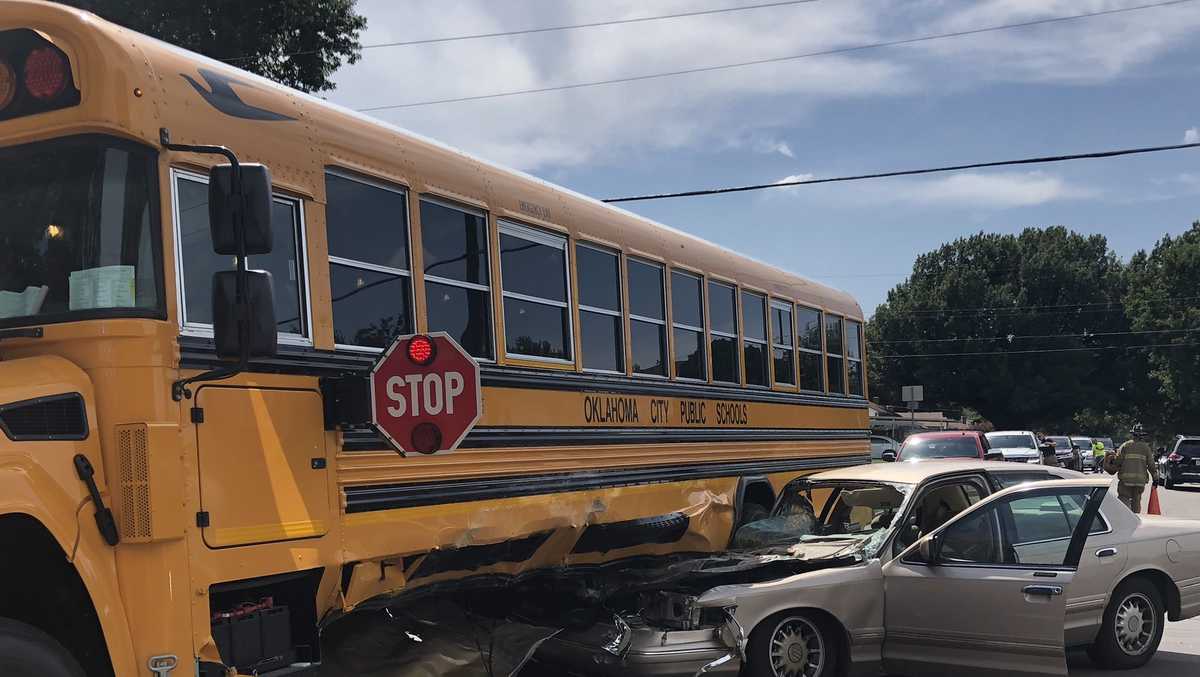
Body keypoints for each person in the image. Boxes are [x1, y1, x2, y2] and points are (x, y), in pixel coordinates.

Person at [1106, 424, 1160, 513]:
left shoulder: (1125, 446)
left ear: (1132, 435)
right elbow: (1151, 465)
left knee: (1123, 499)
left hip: (1126, 480)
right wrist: (1155, 478)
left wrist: (1111, 461)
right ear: (1142, 436)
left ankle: (1123, 518)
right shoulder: (1146, 448)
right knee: (1136, 501)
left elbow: (1117, 462)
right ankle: (1135, 520)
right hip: (1140, 481)